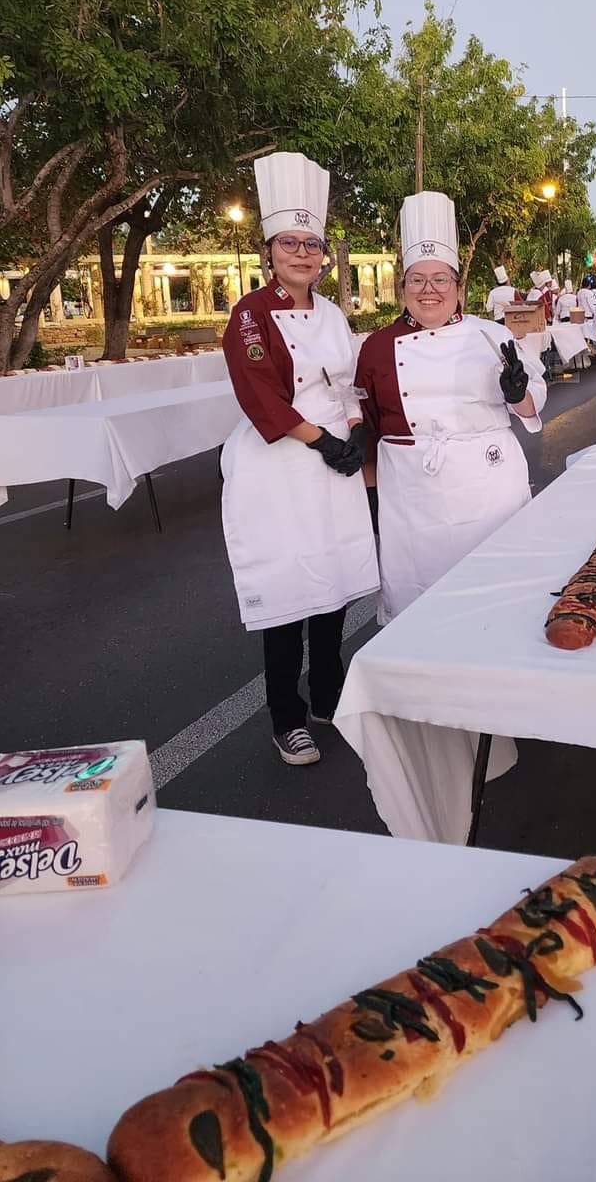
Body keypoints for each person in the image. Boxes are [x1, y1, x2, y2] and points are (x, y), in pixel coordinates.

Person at [220, 152, 379, 767]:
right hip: (282, 465)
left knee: (333, 583)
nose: (304, 254)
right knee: (291, 591)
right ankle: (286, 716)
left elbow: (347, 384)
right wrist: (323, 440)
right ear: (270, 249)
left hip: (332, 462)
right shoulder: (251, 317)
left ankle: (328, 694)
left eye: (313, 244)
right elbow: (260, 393)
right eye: (291, 242)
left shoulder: (335, 314)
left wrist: (358, 433)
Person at [356, 191, 547, 620]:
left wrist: (516, 394)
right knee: (420, 612)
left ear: (459, 289)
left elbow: (533, 400)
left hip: (488, 491)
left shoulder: (490, 336)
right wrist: (370, 499)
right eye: (417, 280)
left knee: (496, 601)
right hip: (411, 502)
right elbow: (367, 428)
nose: (429, 291)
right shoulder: (376, 347)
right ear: (402, 287)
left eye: (441, 279)